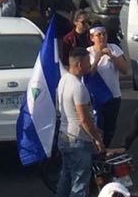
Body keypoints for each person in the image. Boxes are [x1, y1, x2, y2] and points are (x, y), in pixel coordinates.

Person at [55, 48, 104, 197]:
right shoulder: (78, 88)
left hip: (64, 136)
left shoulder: (63, 80)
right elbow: (84, 119)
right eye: (87, 62)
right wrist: (97, 138)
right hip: (78, 140)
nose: (90, 65)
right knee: (79, 184)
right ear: (80, 64)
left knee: (66, 177)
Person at [87, 25, 128, 148]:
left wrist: (112, 57)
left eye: (104, 34)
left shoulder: (114, 48)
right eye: (98, 35)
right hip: (97, 98)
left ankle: (106, 148)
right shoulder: (88, 52)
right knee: (98, 126)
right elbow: (89, 75)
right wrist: (97, 58)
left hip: (113, 96)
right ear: (92, 37)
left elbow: (124, 70)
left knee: (110, 128)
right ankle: (98, 149)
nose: (102, 37)